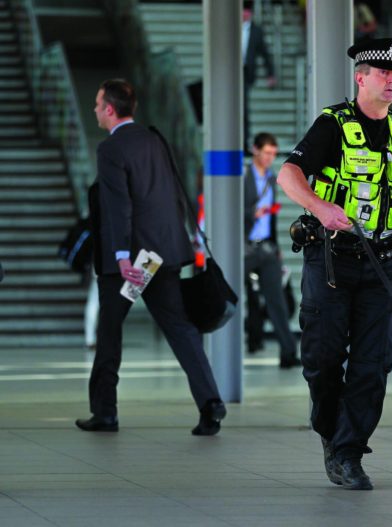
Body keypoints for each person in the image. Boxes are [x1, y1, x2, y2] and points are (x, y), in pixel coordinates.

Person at [277, 38, 392, 491]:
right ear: (361, 77)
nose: (391, 81)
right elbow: (287, 175)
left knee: (375, 363)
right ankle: (332, 433)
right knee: (323, 359)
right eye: (382, 73)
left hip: (384, 263)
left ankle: (349, 452)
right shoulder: (332, 124)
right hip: (331, 260)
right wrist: (319, 207)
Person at [77, 79, 226, 436]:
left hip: (134, 261)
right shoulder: (154, 139)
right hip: (163, 251)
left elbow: (118, 207)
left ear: (110, 109)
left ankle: (105, 412)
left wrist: (122, 257)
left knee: (109, 331)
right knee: (180, 328)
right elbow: (173, 193)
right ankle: (210, 403)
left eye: (98, 104)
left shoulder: (111, 149)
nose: (96, 110)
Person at [244, 132, 300, 367]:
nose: (269, 158)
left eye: (273, 154)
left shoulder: (270, 178)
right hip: (243, 247)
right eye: (266, 153)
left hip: (266, 247)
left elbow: (272, 219)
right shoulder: (242, 176)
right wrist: (250, 214)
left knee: (276, 300)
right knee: (238, 297)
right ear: (255, 150)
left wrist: (276, 246)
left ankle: (288, 353)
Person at [242, 3, 276, 152]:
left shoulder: (256, 31)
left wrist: (270, 73)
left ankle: (244, 141)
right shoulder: (230, 27)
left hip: (246, 73)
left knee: (243, 108)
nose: (245, 14)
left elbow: (264, 53)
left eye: (248, 12)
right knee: (240, 107)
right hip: (232, 72)